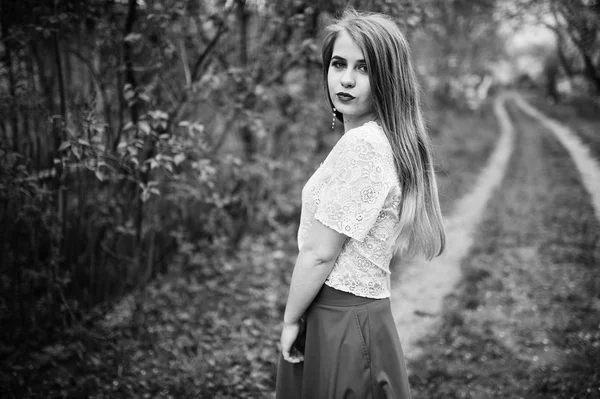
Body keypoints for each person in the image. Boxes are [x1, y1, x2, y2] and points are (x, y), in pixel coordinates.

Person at [276, 8, 445, 399]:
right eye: (338, 64)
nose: (346, 79)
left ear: (387, 78)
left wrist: (290, 319)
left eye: (364, 68)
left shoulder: (364, 145)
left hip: (343, 324)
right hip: (350, 320)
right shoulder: (377, 138)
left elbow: (320, 253)